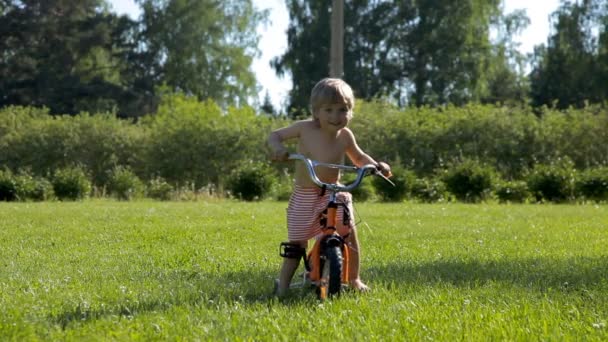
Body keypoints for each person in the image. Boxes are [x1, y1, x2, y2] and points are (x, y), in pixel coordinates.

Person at [268, 77, 391, 296]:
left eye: (342, 110)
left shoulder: (345, 136)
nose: (336, 116)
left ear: (350, 112)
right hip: (305, 194)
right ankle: (283, 286)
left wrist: (376, 166)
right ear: (316, 112)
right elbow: (275, 135)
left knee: (348, 234)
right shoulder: (305, 129)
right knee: (296, 244)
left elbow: (359, 157)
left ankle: (354, 278)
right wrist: (277, 148)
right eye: (329, 110)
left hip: (333, 191)